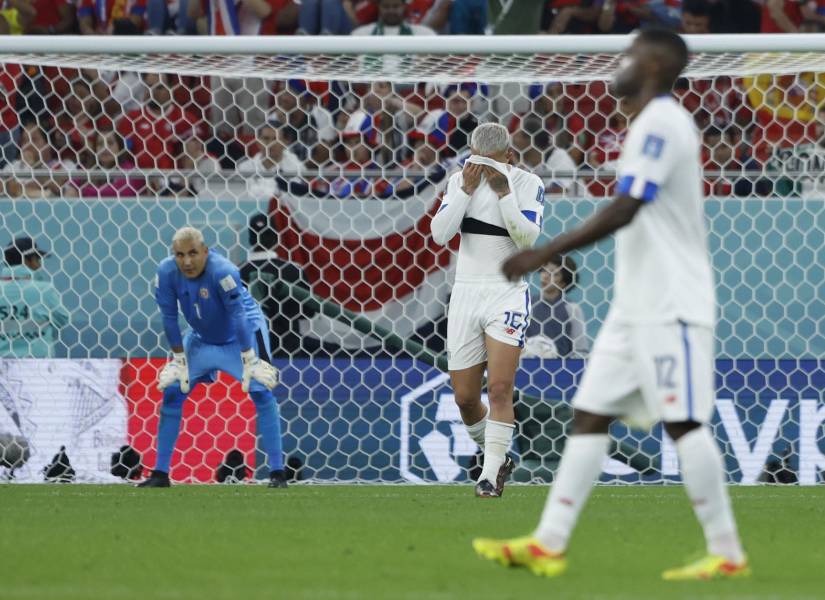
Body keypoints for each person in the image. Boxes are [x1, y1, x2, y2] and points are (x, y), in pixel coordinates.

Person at [475, 29, 748, 581]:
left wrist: (543, 252)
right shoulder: (645, 123)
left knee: (684, 424)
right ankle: (549, 543)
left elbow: (626, 207)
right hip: (635, 308)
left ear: (652, 65)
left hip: (671, 304)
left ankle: (727, 553)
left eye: (630, 55)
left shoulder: (663, 121)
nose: (619, 64)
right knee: (589, 415)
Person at [430, 122, 545, 498]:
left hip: (506, 293)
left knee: (499, 388)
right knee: (464, 397)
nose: (483, 170)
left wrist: (503, 194)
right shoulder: (458, 181)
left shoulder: (528, 184)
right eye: (477, 162)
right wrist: (464, 190)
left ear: (509, 158)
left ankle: (490, 474)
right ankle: (498, 456)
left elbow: (527, 238)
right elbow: (440, 233)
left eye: (492, 163)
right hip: (465, 293)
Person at [138, 227, 286, 488]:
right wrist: (179, 358)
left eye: (193, 253)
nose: (186, 261)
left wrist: (250, 358)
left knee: (262, 391)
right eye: (180, 255)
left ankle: (277, 473)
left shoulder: (224, 271)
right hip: (200, 338)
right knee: (172, 391)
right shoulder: (166, 272)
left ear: (205, 251)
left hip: (242, 335)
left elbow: (239, 316)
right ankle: (160, 474)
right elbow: (169, 317)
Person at [240, 212, 316, 357]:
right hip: (288, 351)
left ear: (250, 238)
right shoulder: (292, 271)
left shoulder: (237, 273)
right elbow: (309, 311)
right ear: (276, 238)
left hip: (250, 352)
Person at [0, 237, 68, 358]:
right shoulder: (44, 290)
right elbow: (63, 319)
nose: (39, 265)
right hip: (38, 369)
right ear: (27, 260)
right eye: (37, 259)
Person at [523, 257, 588, 358]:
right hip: (528, 367)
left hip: (561, 369)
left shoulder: (572, 309)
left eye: (553, 273)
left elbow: (581, 350)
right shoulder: (526, 305)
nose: (545, 276)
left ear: (563, 282)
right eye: (544, 271)